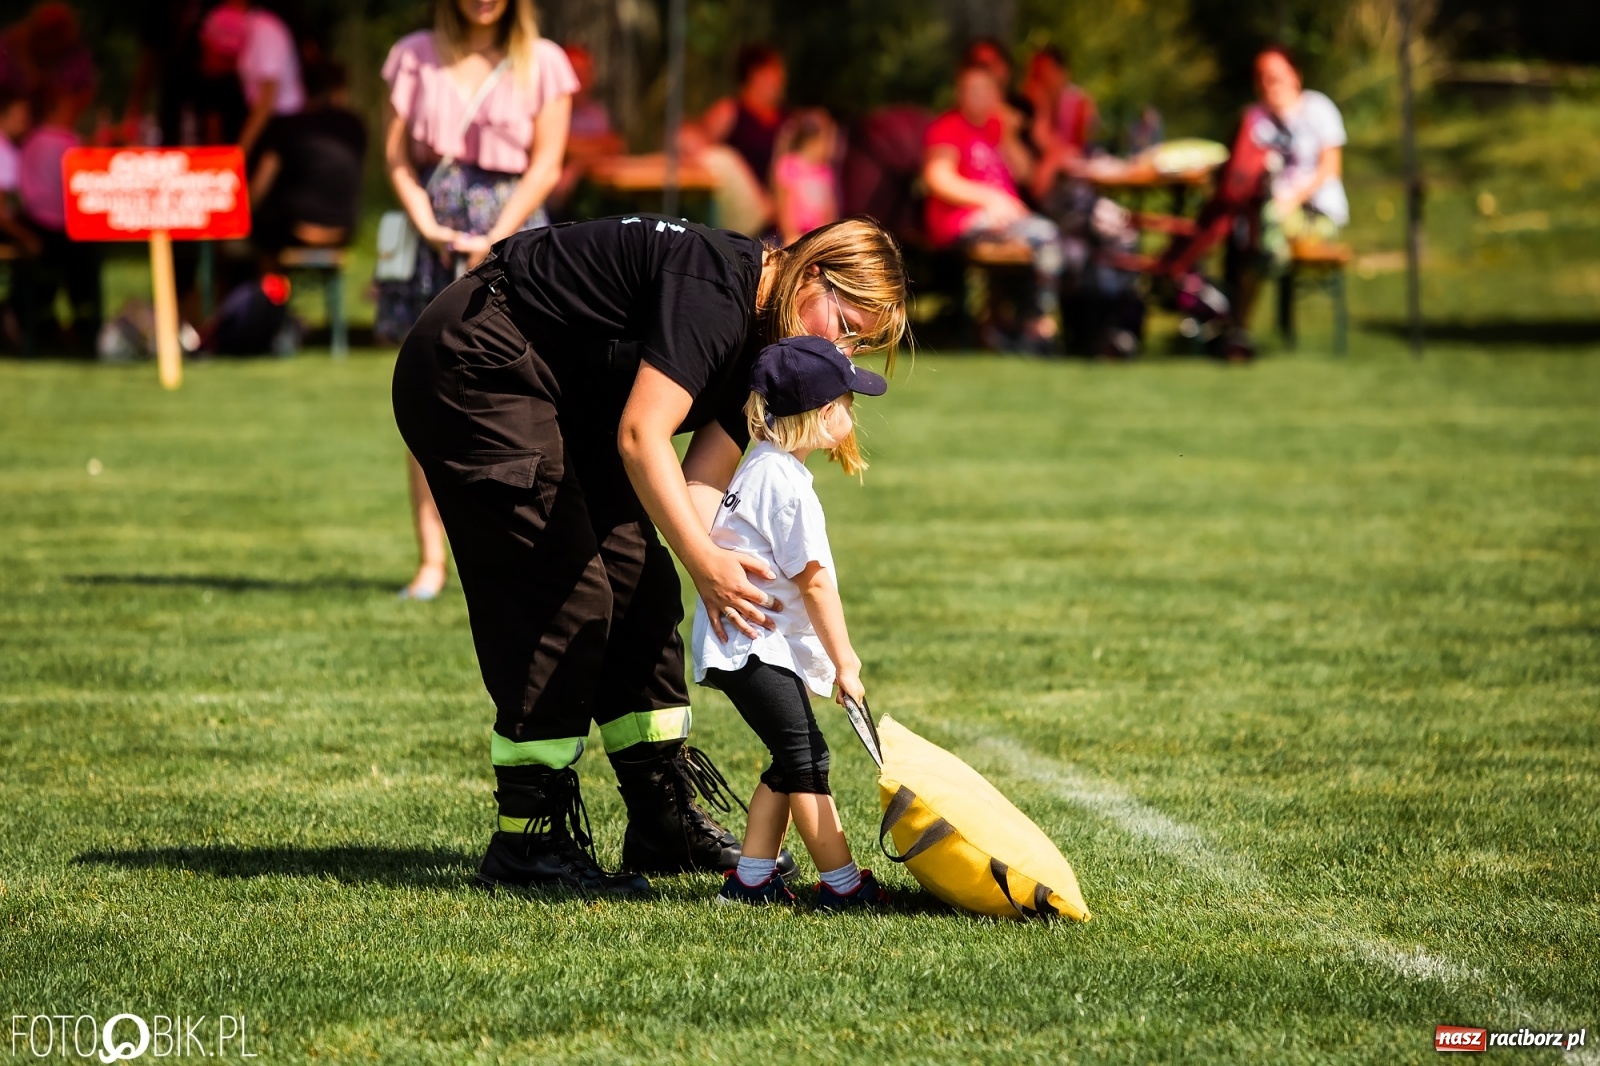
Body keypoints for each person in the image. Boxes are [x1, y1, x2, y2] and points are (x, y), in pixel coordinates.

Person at [390, 215, 910, 895]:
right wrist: (706, 563)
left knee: (641, 589)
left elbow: (696, 491)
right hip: (477, 359)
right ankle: (528, 840)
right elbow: (642, 436)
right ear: (812, 273)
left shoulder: (764, 342)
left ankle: (661, 818)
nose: (840, 353)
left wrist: (741, 568)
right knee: (564, 594)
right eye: (844, 326)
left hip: (563, 399)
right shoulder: (717, 289)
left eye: (858, 346)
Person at [378, 0, 577, 602]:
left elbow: (545, 165)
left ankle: (533, 548)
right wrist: (425, 223)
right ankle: (431, 558)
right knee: (425, 392)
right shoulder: (413, 57)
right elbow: (395, 158)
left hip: (514, 236)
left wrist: (497, 236)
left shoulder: (543, 62)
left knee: (532, 390)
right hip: (433, 236)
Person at [693, 336, 892, 910]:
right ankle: (842, 885)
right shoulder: (784, 483)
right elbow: (815, 581)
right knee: (808, 759)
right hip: (751, 648)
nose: (852, 414)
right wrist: (845, 663)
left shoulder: (765, 463)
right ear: (824, 412)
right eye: (847, 403)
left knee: (789, 757)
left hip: (744, 643)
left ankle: (752, 879)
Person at [922, 61, 1063, 352]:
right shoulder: (948, 128)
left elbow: (1026, 174)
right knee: (1044, 235)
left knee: (1043, 240)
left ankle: (1019, 326)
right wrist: (991, 199)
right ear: (959, 94)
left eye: (986, 91)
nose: (979, 98)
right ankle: (1037, 324)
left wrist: (1009, 134)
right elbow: (938, 178)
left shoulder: (996, 129)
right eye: (971, 91)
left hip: (1005, 222)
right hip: (961, 223)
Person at [12, 2, 99, 353]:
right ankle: (86, 328)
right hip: (64, 228)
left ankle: (39, 327)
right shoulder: (70, 143)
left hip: (33, 222)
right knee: (85, 266)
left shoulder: (28, 141)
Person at [248, 58, 366, 259]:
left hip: (294, 230)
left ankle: (266, 286)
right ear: (339, 90)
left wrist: (242, 212)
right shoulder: (355, 127)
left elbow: (261, 184)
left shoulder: (288, 127)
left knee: (258, 229)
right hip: (344, 231)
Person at [679, 43, 786, 236]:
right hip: (747, 216)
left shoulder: (785, 119)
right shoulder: (730, 111)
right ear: (755, 73)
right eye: (775, 70)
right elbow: (696, 147)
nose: (781, 78)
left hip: (780, 209)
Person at [198, 0, 305, 157]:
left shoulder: (264, 31)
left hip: (281, 128)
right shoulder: (248, 30)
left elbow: (267, 99)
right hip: (269, 125)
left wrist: (240, 152)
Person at [547, 42, 623, 219]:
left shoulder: (594, 113)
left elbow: (614, 146)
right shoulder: (547, 107)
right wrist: (587, 149)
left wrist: (576, 166)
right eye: (575, 72)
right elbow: (560, 145)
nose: (580, 79)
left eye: (585, 72)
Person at [771, 108, 838, 247]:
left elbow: (829, 207)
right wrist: (790, 235)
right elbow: (783, 205)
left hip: (817, 238)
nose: (835, 147)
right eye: (831, 140)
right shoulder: (789, 165)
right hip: (793, 237)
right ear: (815, 141)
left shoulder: (825, 171)